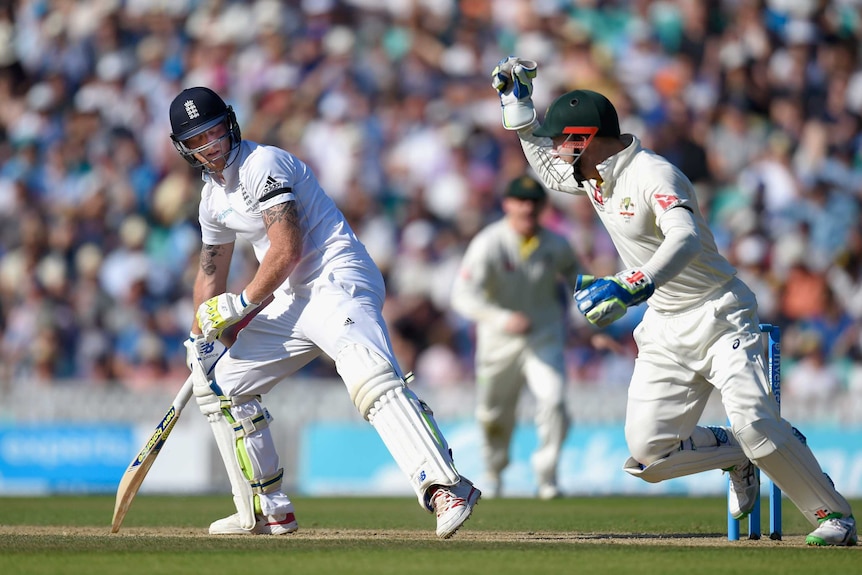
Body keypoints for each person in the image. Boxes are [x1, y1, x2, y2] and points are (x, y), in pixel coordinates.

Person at [490, 56, 856, 546]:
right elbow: (545, 166)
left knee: (755, 423)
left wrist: (630, 284)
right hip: (664, 324)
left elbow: (682, 239)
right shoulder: (592, 174)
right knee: (648, 455)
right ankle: (735, 455)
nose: (557, 152)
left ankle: (833, 517)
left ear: (586, 137)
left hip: (719, 311)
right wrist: (519, 106)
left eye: (563, 141)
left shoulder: (653, 175)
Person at [170, 86, 480, 538]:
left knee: (367, 378)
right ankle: (268, 509)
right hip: (292, 298)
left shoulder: (264, 164)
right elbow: (210, 271)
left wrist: (239, 307)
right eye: (198, 139)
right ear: (185, 149)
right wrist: (200, 335)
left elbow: (287, 248)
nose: (211, 145)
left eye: (215, 131)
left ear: (231, 125)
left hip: (336, 279)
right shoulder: (212, 199)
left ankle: (445, 487)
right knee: (226, 386)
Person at [450, 174, 581, 499]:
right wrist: (502, 318)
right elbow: (462, 296)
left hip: (543, 337)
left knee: (554, 401)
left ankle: (547, 477)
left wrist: (592, 325)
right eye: (520, 201)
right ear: (507, 204)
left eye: (534, 202)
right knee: (493, 415)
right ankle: (493, 472)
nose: (527, 208)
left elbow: (581, 283)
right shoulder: (489, 243)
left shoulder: (557, 244)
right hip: (498, 343)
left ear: (542, 207)